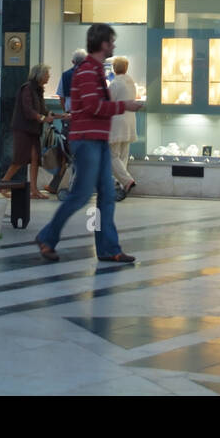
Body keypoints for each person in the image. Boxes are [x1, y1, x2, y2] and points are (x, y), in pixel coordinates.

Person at [34, 24, 143, 264]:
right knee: (81, 195)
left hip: (99, 140)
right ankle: (47, 236)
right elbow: (94, 107)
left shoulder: (94, 71)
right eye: (111, 41)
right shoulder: (86, 72)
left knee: (105, 196)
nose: (113, 45)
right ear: (102, 44)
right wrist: (125, 105)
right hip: (87, 141)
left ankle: (108, 248)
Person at [2, 64, 56, 199]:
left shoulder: (38, 90)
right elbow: (28, 111)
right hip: (23, 129)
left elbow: (42, 109)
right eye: (46, 74)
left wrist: (56, 115)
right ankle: (3, 185)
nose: (48, 76)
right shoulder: (27, 89)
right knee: (19, 160)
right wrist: (43, 118)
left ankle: (33, 190)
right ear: (39, 75)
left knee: (35, 159)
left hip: (32, 130)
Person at [107, 56, 138, 200]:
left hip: (117, 122)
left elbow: (108, 102)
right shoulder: (131, 82)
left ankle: (126, 181)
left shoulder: (115, 83)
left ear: (114, 68)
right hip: (130, 120)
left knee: (112, 155)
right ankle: (121, 185)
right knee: (123, 155)